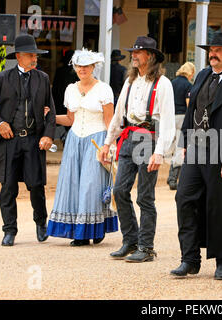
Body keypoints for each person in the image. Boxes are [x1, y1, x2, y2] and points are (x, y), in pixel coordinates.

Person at [170, 32, 222, 280]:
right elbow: (192, 111)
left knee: (221, 206)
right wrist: (185, 140)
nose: (212, 54)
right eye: (211, 50)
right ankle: (189, 259)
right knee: (184, 199)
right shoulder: (202, 75)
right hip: (196, 149)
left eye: (218, 50)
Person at [99, 36, 175, 262]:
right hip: (129, 136)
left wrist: (160, 151)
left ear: (150, 56)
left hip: (148, 139)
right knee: (120, 190)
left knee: (145, 196)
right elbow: (118, 114)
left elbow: (168, 122)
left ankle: (146, 247)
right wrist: (107, 142)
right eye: (133, 51)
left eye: (138, 52)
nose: (133, 55)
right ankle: (130, 240)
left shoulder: (163, 84)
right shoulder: (130, 81)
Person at [0, 34, 56, 246]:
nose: (34, 58)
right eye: (30, 55)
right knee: (8, 188)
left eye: (35, 55)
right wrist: (0, 123)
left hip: (33, 140)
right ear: (20, 57)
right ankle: (9, 230)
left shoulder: (43, 78)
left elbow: (51, 112)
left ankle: (41, 224)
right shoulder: (4, 77)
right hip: (9, 140)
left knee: (36, 185)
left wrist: (48, 135)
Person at [46, 48, 119, 246]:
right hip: (74, 139)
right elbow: (70, 119)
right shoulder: (70, 89)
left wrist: (109, 146)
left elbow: (109, 120)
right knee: (73, 184)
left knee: (90, 184)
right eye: (79, 66)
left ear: (93, 67)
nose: (82, 69)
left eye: (86, 66)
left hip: (96, 139)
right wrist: (49, 117)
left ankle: (94, 228)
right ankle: (79, 232)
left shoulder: (104, 89)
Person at [166, 61, 195, 190]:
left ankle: (173, 177)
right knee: (180, 148)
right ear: (190, 72)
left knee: (172, 148)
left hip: (171, 117)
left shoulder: (172, 83)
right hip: (182, 118)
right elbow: (189, 104)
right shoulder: (188, 85)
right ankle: (172, 179)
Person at [51, 50, 79, 143]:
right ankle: (67, 137)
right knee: (70, 120)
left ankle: (66, 137)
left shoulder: (61, 70)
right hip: (70, 101)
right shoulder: (75, 72)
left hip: (61, 100)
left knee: (67, 120)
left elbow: (55, 88)